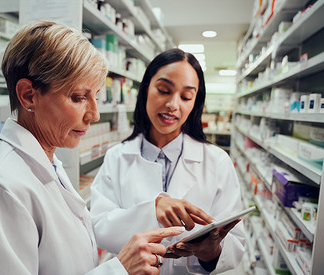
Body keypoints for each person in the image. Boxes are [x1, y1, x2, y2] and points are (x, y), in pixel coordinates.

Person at [0, 21, 198, 275]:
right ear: (29, 95)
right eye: (78, 97)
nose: (94, 115)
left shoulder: (47, 162)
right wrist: (118, 270)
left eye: (95, 96)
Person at [90, 48, 245, 274]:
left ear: (195, 103)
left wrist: (210, 252)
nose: (173, 104)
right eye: (164, 90)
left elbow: (236, 244)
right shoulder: (118, 157)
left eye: (186, 97)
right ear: (145, 90)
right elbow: (99, 226)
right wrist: (151, 211)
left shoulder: (217, 161)